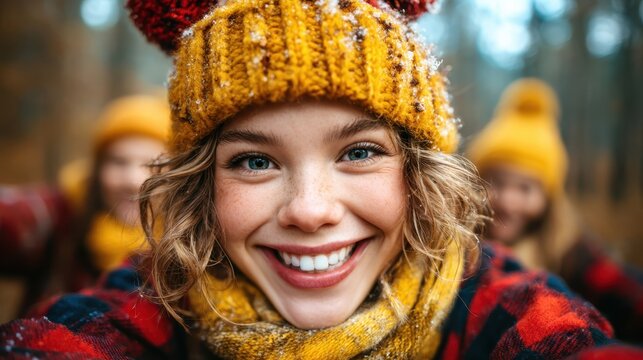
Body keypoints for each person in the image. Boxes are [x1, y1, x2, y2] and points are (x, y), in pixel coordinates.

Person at [0, 0, 640, 358]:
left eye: (360, 153)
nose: (310, 211)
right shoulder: (157, 296)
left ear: (421, 174)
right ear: (200, 189)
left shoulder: (493, 299)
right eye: (255, 161)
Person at [466, 78, 643, 343]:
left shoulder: (570, 250)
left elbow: (627, 293)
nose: (507, 201)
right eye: (496, 183)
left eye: (525, 189)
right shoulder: (457, 243)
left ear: (548, 198)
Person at [0, 94, 170, 311]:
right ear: (98, 168)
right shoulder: (64, 217)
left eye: (153, 165)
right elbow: (15, 218)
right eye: (118, 162)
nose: (133, 181)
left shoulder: (191, 249)